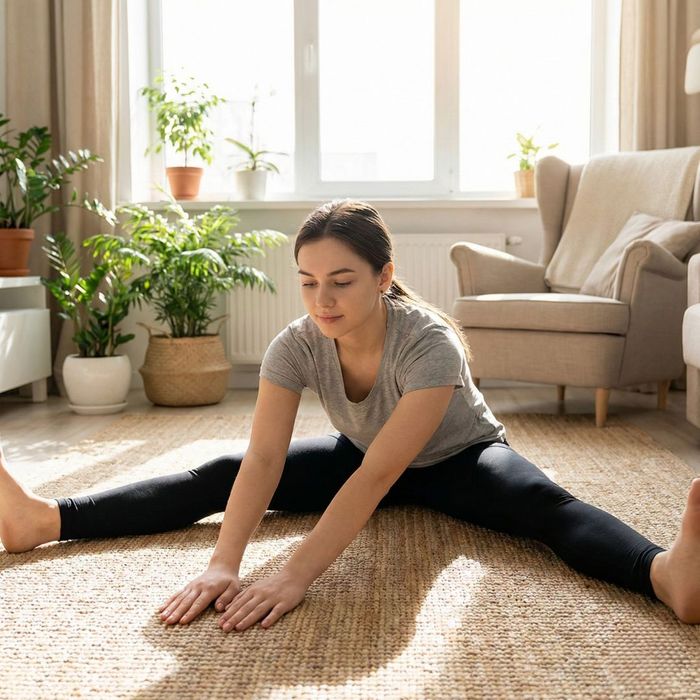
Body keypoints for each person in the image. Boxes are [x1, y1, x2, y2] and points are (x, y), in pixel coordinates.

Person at [1, 199, 699, 632]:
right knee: (222, 471)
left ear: (383, 276)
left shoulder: (430, 344)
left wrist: (293, 574)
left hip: (459, 460)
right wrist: (225, 564)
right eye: (308, 282)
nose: (322, 300)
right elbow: (266, 461)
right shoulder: (295, 345)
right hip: (363, 452)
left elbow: (376, 481)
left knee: (547, 507)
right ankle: (46, 520)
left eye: (341, 281)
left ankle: (664, 573)